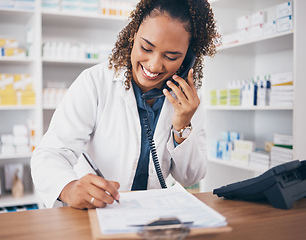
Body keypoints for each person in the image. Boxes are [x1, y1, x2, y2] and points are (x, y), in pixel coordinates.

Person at [31, 0, 219, 209]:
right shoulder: (95, 82)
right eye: (146, 48)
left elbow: (191, 176)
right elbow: (50, 153)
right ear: (133, 35)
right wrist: (68, 187)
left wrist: (182, 125)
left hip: (155, 215)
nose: (154, 65)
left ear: (188, 58)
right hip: (96, 212)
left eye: (171, 56)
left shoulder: (187, 99)